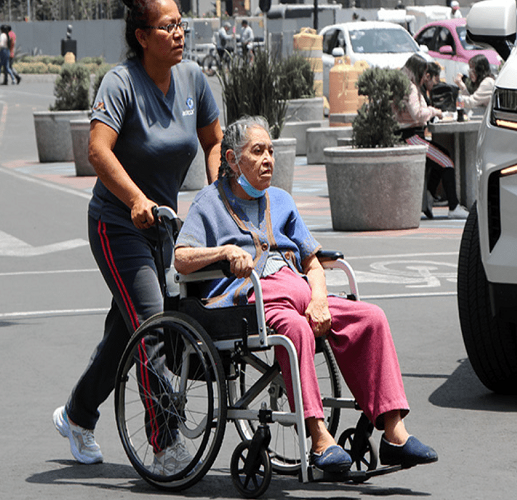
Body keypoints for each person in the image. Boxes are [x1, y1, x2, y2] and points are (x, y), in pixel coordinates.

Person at [174, 116, 439, 473]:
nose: (268, 160)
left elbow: (312, 262)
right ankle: (319, 438)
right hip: (252, 300)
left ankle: (395, 433)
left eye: (271, 151)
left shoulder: (281, 200)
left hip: (300, 292)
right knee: (296, 330)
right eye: (258, 151)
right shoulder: (209, 202)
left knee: (371, 318)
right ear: (233, 159)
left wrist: (319, 299)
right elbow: (181, 258)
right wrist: (223, 252)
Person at [52, 0, 223, 474]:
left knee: (125, 333)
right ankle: (164, 445)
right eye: (168, 26)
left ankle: (77, 415)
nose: (179, 33)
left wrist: (216, 197)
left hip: (164, 228)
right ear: (142, 37)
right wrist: (134, 199)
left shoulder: (193, 79)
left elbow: (214, 141)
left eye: (181, 24)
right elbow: (98, 150)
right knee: (153, 325)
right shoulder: (121, 83)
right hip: (118, 224)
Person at [395, 55, 468, 220]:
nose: (425, 78)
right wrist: (435, 111)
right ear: (418, 71)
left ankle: (429, 196)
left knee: (443, 155)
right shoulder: (410, 87)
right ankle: (454, 207)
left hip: (409, 136)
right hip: (410, 137)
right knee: (446, 162)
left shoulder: (405, 84)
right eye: (424, 74)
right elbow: (417, 114)